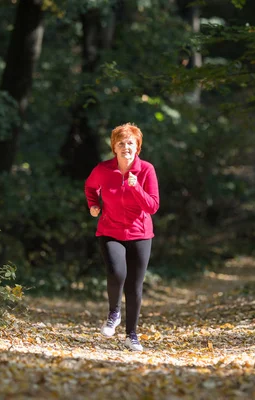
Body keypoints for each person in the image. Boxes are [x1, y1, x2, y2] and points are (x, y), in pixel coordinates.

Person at [84, 123, 160, 352]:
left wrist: (136, 188)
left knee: (135, 286)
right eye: (121, 143)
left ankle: (132, 335)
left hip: (140, 233)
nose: (126, 147)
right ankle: (113, 312)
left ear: (137, 147)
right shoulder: (103, 169)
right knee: (117, 273)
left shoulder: (146, 170)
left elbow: (153, 206)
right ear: (114, 148)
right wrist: (93, 205)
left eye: (130, 143)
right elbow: (90, 187)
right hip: (110, 230)